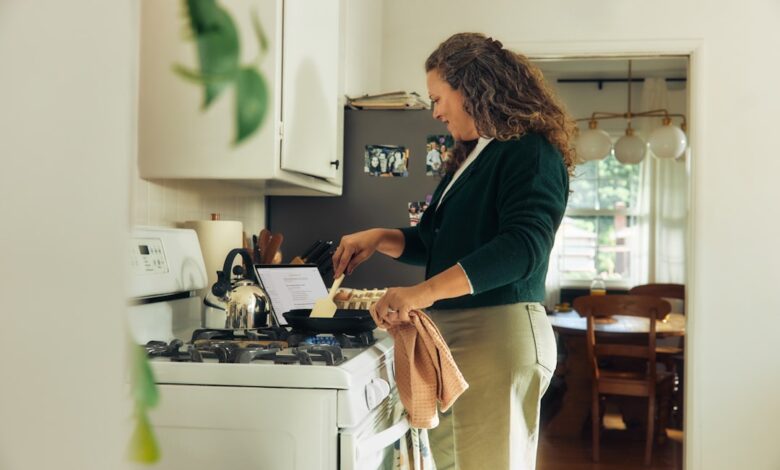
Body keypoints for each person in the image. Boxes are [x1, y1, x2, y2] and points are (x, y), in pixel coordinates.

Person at [332, 32, 576, 469]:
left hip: (497, 334)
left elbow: (523, 247)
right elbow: (432, 242)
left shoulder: (529, 153)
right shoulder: (475, 157)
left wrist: (422, 293)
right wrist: (377, 238)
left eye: (439, 97)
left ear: (475, 88)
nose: (436, 111)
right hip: (461, 335)